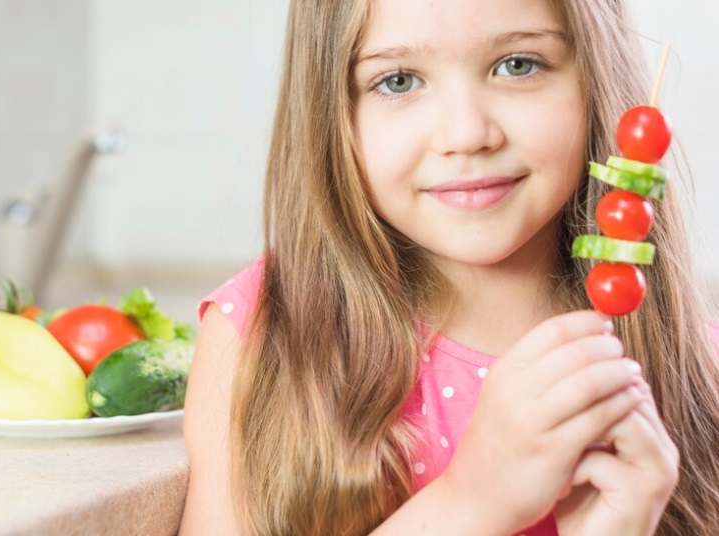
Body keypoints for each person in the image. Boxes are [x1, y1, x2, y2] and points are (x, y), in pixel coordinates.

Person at [179, 0, 719, 534]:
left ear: (597, 78)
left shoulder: (701, 367)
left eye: (518, 64)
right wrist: (469, 504)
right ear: (331, 108)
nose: (466, 134)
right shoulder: (267, 332)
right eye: (398, 81)